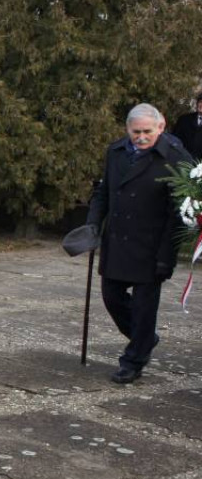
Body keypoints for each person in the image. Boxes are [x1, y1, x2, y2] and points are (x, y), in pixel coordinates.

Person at [84, 103, 191, 384]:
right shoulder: (116, 151)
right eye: (135, 132)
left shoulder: (175, 157)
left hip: (151, 244)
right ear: (127, 129)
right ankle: (145, 338)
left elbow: (179, 212)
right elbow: (103, 192)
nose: (141, 137)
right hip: (118, 239)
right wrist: (93, 224)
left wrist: (167, 255)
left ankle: (134, 360)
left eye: (147, 131)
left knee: (144, 307)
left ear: (161, 126)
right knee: (112, 297)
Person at [171, 93, 202, 160]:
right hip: (182, 161)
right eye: (200, 102)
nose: (201, 105)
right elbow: (174, 139)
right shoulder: (184, 119)